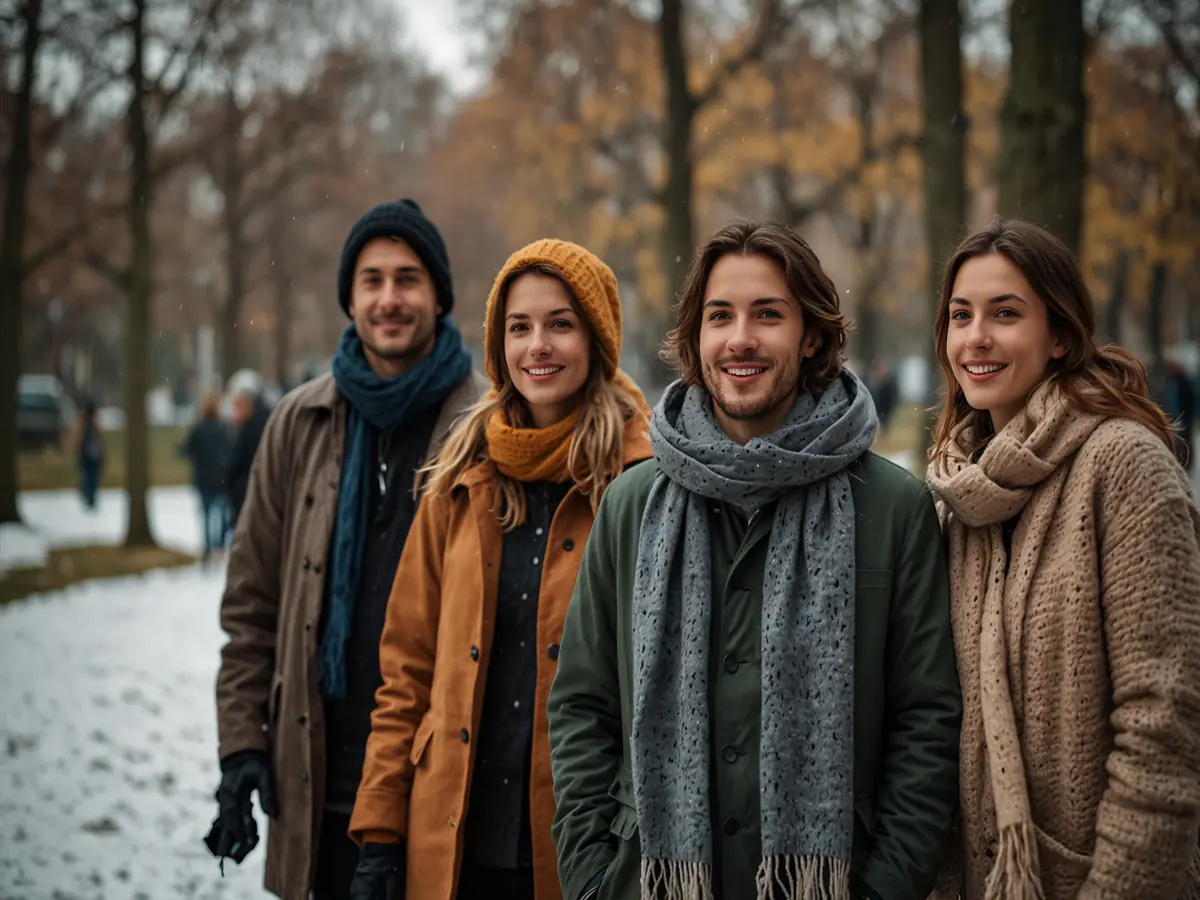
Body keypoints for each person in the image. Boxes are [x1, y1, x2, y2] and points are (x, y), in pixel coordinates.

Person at [548, 219, 962, 900]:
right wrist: (594, 875)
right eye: (720, 317)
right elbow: (582, 706)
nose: (740, 338)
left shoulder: (892, 508)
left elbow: (926, 720)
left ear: (812, 336)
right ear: (696, 338)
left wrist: (884, 887)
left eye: (767, 314)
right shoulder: (629, 506)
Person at [346, 240, 652, 900]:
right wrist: (379, 830)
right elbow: (406, 671)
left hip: (587, 848)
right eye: (519, 327)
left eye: (560, 324)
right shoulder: (459, 475)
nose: (537, 346)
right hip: (453, 844)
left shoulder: (642, 481)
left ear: (596, 338)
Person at [207, 198, 489, 900]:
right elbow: (251, 608)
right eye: (372, 280)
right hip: (318, 783)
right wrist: (242, 747)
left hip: (445, 795)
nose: (389, 298)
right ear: (350, 297)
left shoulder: (485, 427)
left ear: (438, 295)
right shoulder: (297, 423)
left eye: (407, 279)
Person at [924, 218, 1200, 900]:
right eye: (961, 316)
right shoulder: (955, 495)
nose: (976, 337)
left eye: (1005, 314)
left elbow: (1164, 725)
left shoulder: (1125, 465)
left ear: (1059, 338)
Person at [180, 390, 233, 563]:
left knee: (207, 514)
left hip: (203, 479)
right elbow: (230, 451)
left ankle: (208, 548)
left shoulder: (199, 428)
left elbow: (187, 449)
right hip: (221, 479)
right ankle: (218, 544)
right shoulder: (222, 428)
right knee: (223, 514)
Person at [224, 369, 271, 529]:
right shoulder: (253, 425)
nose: (234, 410)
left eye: (237, 404)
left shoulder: (253, 429)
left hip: (250, 501)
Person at [76, 397, 104, 510]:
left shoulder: (95, 424)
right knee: (87, 477)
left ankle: (91, 498)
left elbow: (99, 440)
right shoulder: (83, 424)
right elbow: (78, 438)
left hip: (94, 456)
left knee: (93, 478)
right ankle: (87, 496)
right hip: (86, 456)